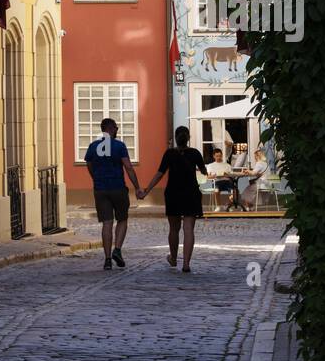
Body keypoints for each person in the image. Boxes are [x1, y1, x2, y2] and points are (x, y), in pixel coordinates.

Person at [139, 126, 208, 273]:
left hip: (173, 193)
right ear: (188, 137)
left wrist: (146, 191)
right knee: (188, 229)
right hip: (191, 193)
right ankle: (186, 264)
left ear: (175, 139)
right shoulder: (195, 153)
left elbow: (159, 174)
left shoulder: (169, 154)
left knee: (174, 228)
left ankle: (174, 258)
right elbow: (204, 171)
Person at [84, 117, 143, 270]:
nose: (117, 130)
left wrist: (95, 178)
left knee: (107, 223)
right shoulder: (119, 146)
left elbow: (89, 165)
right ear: (111, 129)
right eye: (116, 128)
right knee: (122, 219)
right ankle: (117, 249)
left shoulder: (93, 146)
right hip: (118, 188)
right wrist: (137, 187)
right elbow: (128, 167)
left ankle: (108, 259)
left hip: (100, 189)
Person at [205, 148, 234, 212]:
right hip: (217, 181)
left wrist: (227, 175)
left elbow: (232, 175)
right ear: (214, 156)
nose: (219, 157)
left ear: (222, 155)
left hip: (227, 181)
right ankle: (218, 206)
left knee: (233, 191)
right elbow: (208, 177)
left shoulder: (227, 165)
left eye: (220, 156)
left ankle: (228, 205)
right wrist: (213, 176)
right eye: (217, 156)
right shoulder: (210, 165)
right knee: (216, 190)